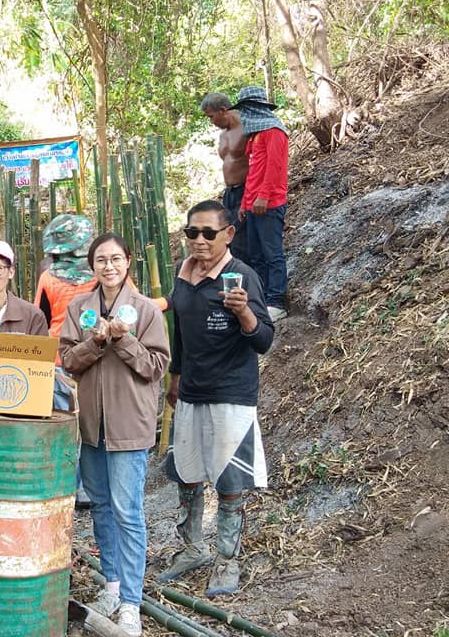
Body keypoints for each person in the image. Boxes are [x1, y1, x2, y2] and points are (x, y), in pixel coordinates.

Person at [158, 200, 273, 597]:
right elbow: (180, 332)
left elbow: (264, 340)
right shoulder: (182, 273)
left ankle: (227, 559)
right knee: (187, 474)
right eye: (192, 232)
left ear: (229, 234)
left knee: (229, 479)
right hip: (191, 389)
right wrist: (175, 376)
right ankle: (192, 548)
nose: (200, 240)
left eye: (209, 233)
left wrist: (245, 314)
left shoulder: (243, 276)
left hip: (230, 392)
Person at [60, 233, 170, 636]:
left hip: (130, 426)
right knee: (102, 508)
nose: (109, 266)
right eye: (101, 260)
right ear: (92, 267)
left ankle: (131, 603)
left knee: (128, 512)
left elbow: (156, 366)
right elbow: (69, 361)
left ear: (128, 262)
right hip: (92, 427)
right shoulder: (79, 309)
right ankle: (111, 585)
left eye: (116, 259)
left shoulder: (145, 310)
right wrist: (96, 341)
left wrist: (124, 340)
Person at [34, 214, 97, 506]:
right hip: (96, 358)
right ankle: (89, 487)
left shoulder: (48, 277)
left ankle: (69, 486)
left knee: (64, 426)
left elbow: (40, 319)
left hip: (59, 360)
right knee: (92, 425)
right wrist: (169, 302)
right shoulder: (103, 273)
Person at [231, 85, 289, 321]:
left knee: (271, 253)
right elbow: (253, 172)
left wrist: (264, 196)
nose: (243, 116)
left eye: (245, 110)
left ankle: (277, 301)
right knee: (255, 254)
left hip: (270, 203)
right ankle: (263, 298)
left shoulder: (274, 131)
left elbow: (275, 168)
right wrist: (245, 202)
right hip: (253, 203)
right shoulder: (254, 136)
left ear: (254, 108)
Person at [201, 92, 249, 263]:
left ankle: (253, 283)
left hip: (246, 189)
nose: (211, 122)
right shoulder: (223, 135)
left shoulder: (247, 127)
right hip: (230, 192)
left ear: (223, 110)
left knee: (242, 238)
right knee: (229, 237)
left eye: (211, 117)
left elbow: (257, 161)